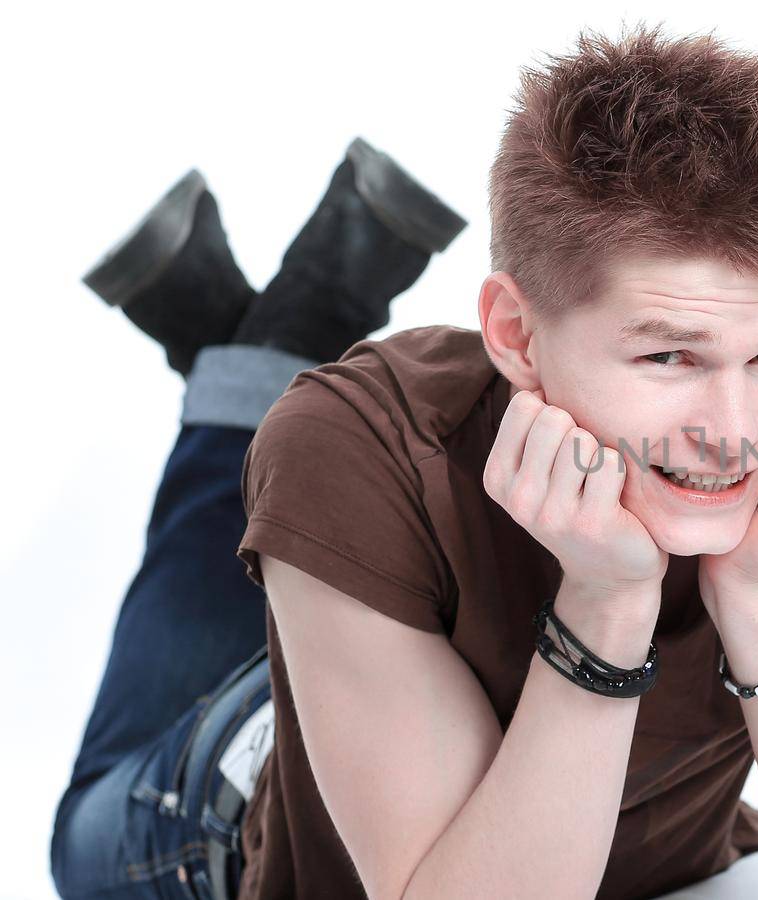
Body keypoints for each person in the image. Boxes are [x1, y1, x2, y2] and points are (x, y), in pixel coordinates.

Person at [56, 22, 758, 900]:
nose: (735, 434)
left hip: (381, 627)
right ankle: (284, 342)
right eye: (668, 357)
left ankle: (269, 326)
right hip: (223, 802)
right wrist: (606, 603)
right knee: (85, 817)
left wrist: (757, 590)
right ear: (515, 335)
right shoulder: (354, 445)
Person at [52, 136, 467, 900]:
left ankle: (261, 321)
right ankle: (287, 317)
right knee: (83, 842)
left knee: (85, 843)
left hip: (261, 747)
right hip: (257, 771)